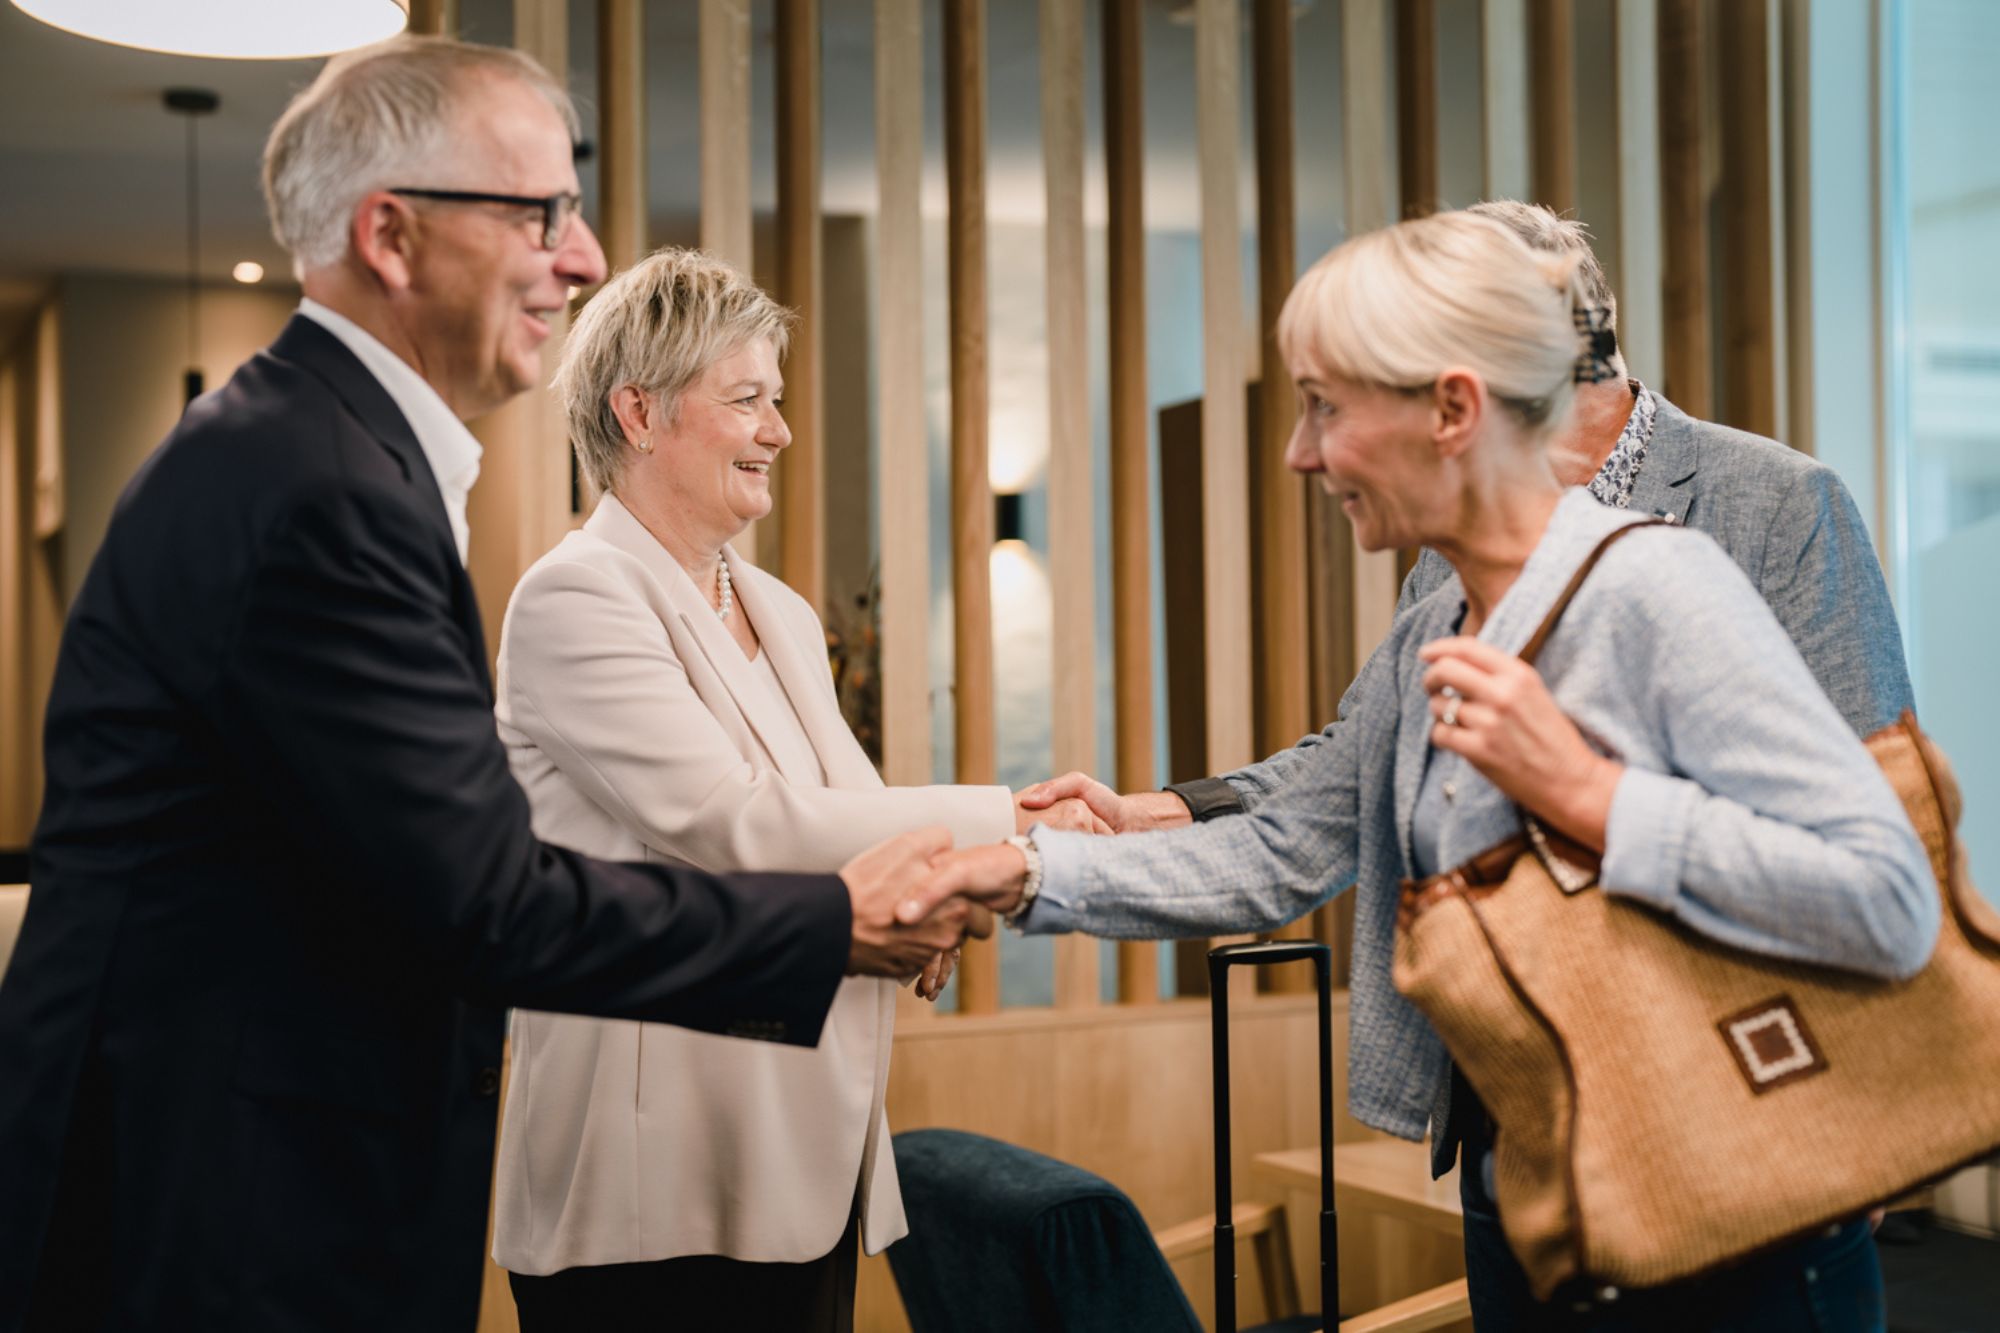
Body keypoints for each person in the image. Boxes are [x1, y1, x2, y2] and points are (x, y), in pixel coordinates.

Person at [0, 38, 981, 1333]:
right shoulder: (317, 489)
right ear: (391, 237)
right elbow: (485, 900)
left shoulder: (331, 459)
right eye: (539, 213)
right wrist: (840, 924)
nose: (579, 259)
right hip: (221, 1212)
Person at [912, 211, 1938, 1328]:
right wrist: (1022, 872)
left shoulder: (1664, 581)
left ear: (1453, 408)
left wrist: (1591, 796)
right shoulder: (1437, 611)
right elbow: (1297, 833)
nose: (1300, 451)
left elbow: (1887, 895)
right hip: (1529, 1188)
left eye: (1325, 408)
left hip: (1726, 1196)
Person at [489, 247, 1104, 1332]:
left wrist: (931, 894)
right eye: (745, 399)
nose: (778, 429)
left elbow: (853, 808)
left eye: (777, 399)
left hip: (806, 1151)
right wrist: (1011, 817)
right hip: (653, 1176)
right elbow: (743, 825)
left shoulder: (771, 603)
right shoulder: (574, 597)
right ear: (639, 411)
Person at [1026, 200, 1911, 836]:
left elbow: (1882, 828)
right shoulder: (1454, 550)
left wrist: (1587, 791)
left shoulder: (1784, 506)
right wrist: (1159, 812)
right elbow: (1359, 764)